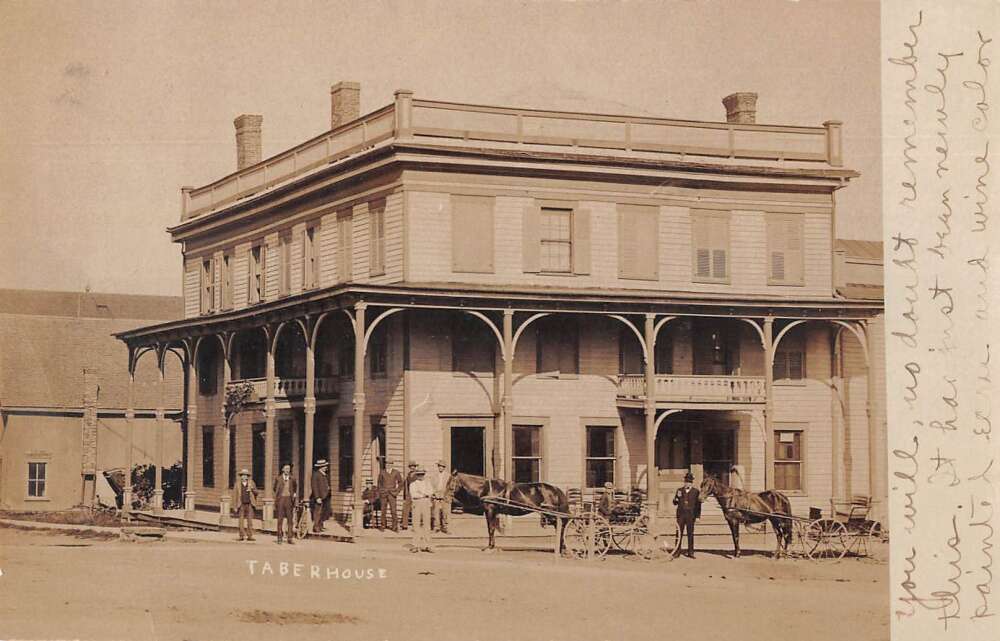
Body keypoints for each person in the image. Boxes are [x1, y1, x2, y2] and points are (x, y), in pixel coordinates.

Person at [672, 471, 701, 558]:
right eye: (686, 482)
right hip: (681, 515)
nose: (687, 483)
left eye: (689, 482)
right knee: (679, 533)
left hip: (691, 515)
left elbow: (698, 506)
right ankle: (677, 552)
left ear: (691, 483)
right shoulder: (679, 490)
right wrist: (677, 498)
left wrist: (698, 516)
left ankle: (690, 552)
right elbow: (674, 502)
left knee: (690, 534)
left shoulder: (696, 492)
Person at [409, 466, 434, 552]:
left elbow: (431, 492)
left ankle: (428, 545)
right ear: (416, 475)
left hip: (426, 504)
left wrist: (423, 494)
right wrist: (424, 495)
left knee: (427, 525)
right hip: (417, 504)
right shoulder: (413, 484)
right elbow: (414, 495)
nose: (421, 476)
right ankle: (415, 545)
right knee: (416, 525)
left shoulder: (428, 483)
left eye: (422, 474)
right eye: (419, 474)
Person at [273, 463, 298, 544]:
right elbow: (275, 488)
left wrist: (293, 495)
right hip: (281, 500)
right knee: (280, 520)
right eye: (286, 468)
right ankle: (279, 538)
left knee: (290, 520)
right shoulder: (278, 479)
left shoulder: (292, 479)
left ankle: (290, 538)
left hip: (289, 500)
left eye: (289, 468)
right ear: (282, 469)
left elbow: (295, 488)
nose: (288, 470)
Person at [231, 468, 258, 541]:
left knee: (250, 521)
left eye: (245, 475)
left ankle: (250, 536)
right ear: (241, 476)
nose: (244, 477)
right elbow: (234, 496)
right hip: (241, 504)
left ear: (247, 476)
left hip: (249, 504)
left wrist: (252, 489)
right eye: (242, 475)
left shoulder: (251, 483)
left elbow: (256, 493)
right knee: (241, 521)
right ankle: (241, 536)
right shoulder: (237, 484)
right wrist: (234, 506)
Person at [377, 458, 403, 531]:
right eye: (387, 464)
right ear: (385, 464)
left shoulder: (396, 472)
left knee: (393, 511)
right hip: (384, 494)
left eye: (390, 464)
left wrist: (397, 491)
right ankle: (383, 526)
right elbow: (379, 483)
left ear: (392, 464)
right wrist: (381, 491)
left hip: (392, 494)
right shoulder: (382, 472)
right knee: (383, 510)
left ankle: (394, 527)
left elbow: (401, 483)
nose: (389, 465)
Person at [311, 459, 331, 533]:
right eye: (324, 466)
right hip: (319, 497)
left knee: (323, 512)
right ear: (321, 467)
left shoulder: (324, 474)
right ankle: (316, 527)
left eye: (326, 466)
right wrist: (317, 497)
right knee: (318, 512)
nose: (326, 467)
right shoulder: (316, 474)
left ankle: (320, 525)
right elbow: (315, 487)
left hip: (326, 496)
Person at [431, 460, 450, 533]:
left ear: (444, 468)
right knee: (436, 512)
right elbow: (431, 485)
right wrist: (434, 493)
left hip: (444, 495)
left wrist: (446, 494)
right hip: (436, 495)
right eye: (439, 466)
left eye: (442, 467)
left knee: (445, 512)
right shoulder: (434, 476)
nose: (440, 468)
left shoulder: (448, 476)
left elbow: (450, 487)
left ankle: (445, 527)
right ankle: (436, 527)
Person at [400, 460, 418, 531]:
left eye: (413, 466)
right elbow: (405, 486)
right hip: (408, 495)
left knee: (415, 510)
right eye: (411, 466)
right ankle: (404, 525)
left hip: (415, 495)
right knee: (405, 509)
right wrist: (405, 495)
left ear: (415, 467)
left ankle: (415, 525)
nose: (412, 468)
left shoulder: (417, 475)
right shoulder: (408, 475)